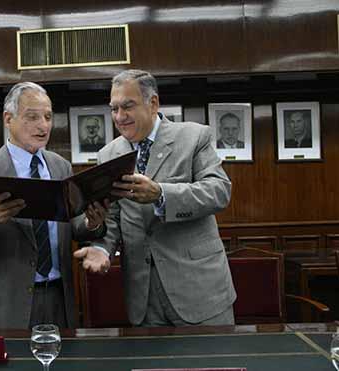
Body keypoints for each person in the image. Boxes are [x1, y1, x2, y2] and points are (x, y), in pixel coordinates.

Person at [74, 70, 236, 327]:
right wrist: (103, 248)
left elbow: (219, 191)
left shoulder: (194, 137)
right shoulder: (108, 154)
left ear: (153, 104)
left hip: (199, 292)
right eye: (114, 109)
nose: (119, 117)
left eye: (127, 106)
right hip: (143, 298)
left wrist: (161, 195)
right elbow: (113, 218)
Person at [0, 82, 109, 329]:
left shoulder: (60, 167)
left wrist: (91, 223)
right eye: (32, 117)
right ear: (8, 119)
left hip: (60, 296)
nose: (43, 126)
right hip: (7, 302)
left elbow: (72, 224)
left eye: (47, 117)